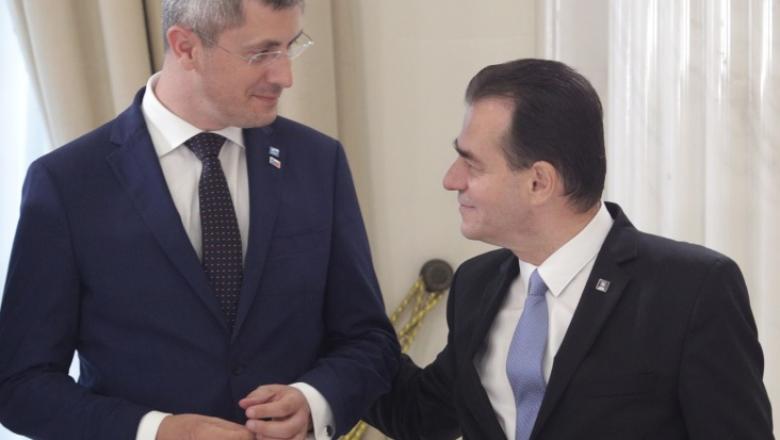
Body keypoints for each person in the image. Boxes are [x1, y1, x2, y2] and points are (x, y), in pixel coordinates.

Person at [0, 0, 399, 439]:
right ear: (186, 47)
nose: (285, 76)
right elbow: (20, 385)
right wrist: (155, 431)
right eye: (262, 53)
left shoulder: (319, 162)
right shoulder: (67, 182)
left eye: (290, 47)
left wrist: (313, 400)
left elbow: (369, 340)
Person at [366, 59, 773, 439]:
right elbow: (419, 413)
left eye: (471, 164)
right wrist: (340, 323)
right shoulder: (475, 283)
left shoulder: (692, 289)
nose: (451, 180)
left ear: (539, 182)